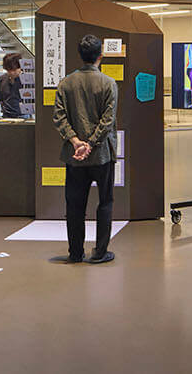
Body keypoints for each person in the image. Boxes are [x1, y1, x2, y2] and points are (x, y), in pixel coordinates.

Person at [53, 34, 118, 265]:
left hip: (75, 158)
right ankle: (100, 252)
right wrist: (90, 144)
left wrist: (75, 142)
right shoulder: (108, 83)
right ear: (100, 56)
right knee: (105, 203)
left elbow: (59, 117)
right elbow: (107, 121)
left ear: (80, 56)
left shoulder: (66, 83)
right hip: (102, 155)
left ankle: (75, 253)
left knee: (74, 205)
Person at [0, 52, 26, 118]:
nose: (11, 73)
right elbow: (0, 99)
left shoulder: (27, 80)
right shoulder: (2, 79)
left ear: (20, 67)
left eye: (14, 70)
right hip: (6, 117)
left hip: (24, 116)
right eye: (9, 70)